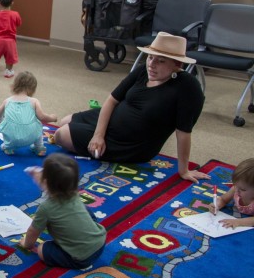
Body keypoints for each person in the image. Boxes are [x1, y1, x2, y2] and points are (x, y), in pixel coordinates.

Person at [53, 32, 210, 183]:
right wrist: (98, 135)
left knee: (61, 134)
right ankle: (95, 135)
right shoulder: (143, 70)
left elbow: (183, 132)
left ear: (177, 64)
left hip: (130, 143)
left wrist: (184, 170)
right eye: (150, 57)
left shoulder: (188, 88)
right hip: (113, 119)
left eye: (160, 61)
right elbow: (111, 100)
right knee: (64, 121)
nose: (152, 64)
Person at [19, 154, 107, 270]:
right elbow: (55, 183)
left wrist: (26, 244)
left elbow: (33, 231)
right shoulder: (74, 193)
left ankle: (81, 264)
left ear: (45, 182)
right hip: (100, 243)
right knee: (83, 209)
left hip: (80, 259)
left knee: (42, 249)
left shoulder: (46, 207)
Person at [0, 71, 57, 156]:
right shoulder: (34, 101)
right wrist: (52, 118)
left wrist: (3, 122)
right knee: (38, 125)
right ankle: (39, 148)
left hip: (12, 137)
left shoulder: (7, 101)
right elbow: (42, 117)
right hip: (31, 136)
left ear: (15, 85)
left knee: (6, 125)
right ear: (32, 89)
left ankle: (8, 147)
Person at [209, 158, 254, 228]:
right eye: (235, 185)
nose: (237, 190)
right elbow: (223, 199)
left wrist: (238, 222)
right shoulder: (236, 189)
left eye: (242, 189)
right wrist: (217, 205)